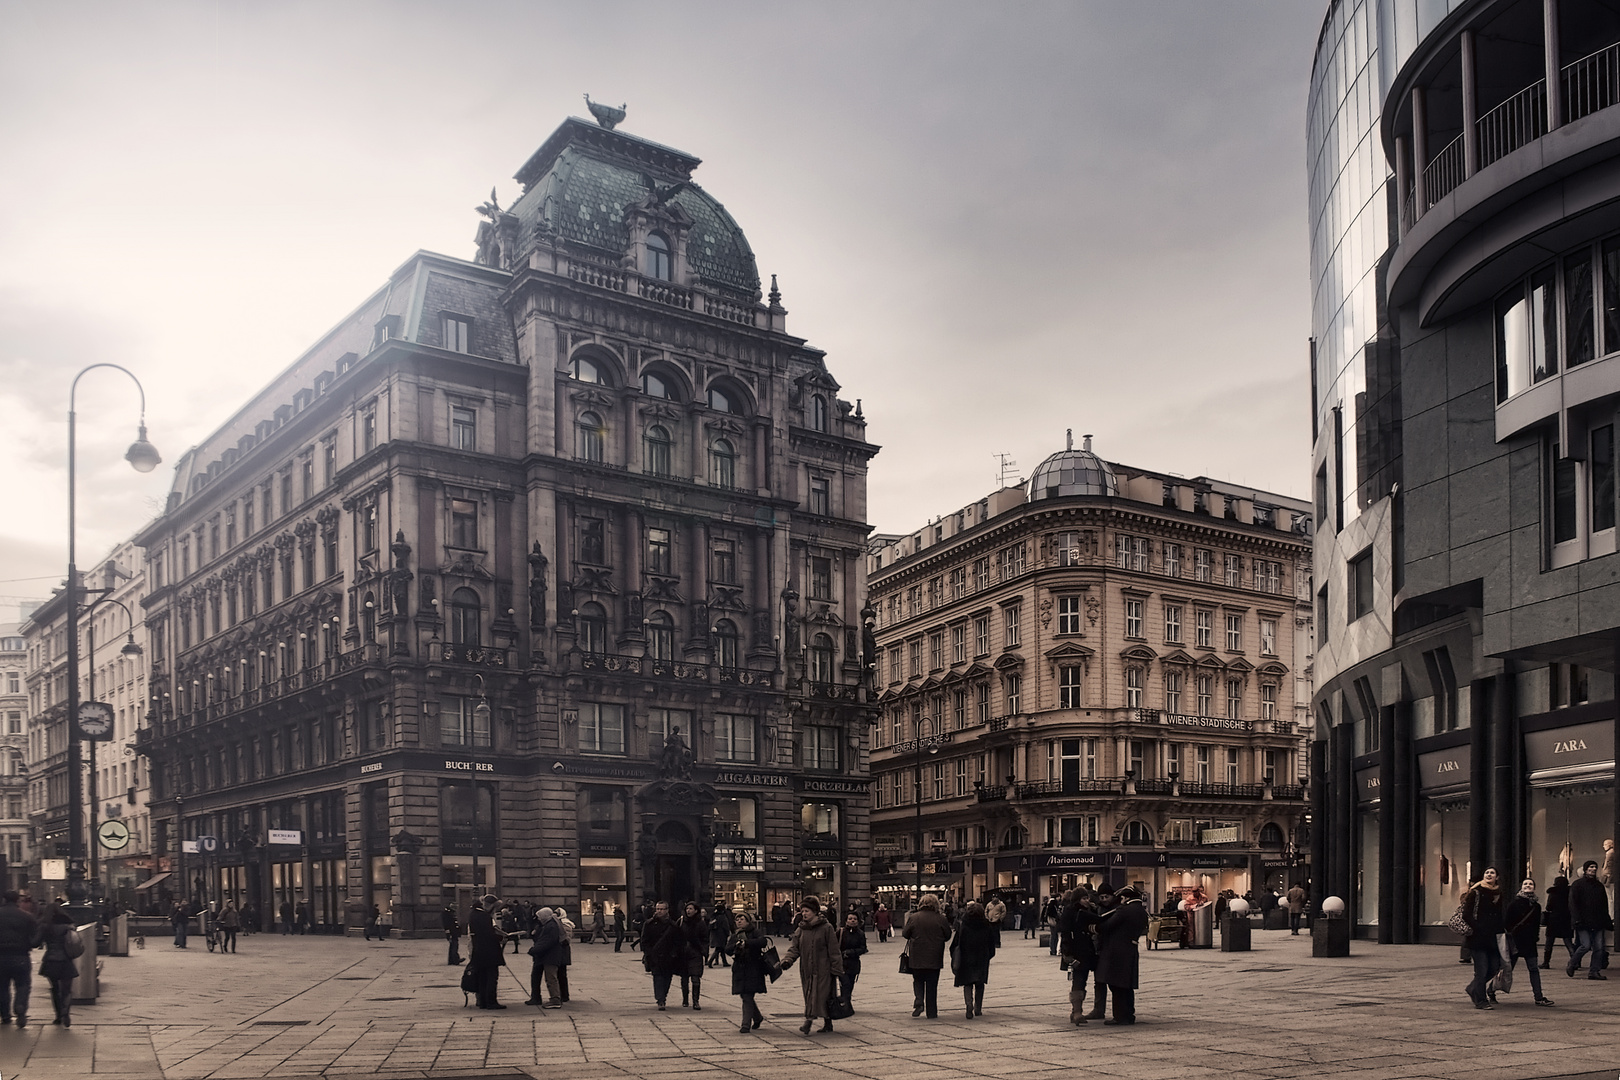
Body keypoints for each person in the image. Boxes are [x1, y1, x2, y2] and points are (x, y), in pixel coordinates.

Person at [779, 896, 842, 1034]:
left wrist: (837, 969)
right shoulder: (801, 929)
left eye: (807, 911)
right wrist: (787, 960)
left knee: (820, 995)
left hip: (824, 969)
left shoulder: (826, 927)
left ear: (815, 911)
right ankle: (828, 1022)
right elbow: (794, 948)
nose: (804, 913)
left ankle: (808, 1022)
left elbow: (834, 950)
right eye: (802, 911)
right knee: (811, 995)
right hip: (807, 969)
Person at [1095, 886, 1148, 1025]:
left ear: (1125, 898)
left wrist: (1095, 928)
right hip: (1131, 948)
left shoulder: (1123, 910)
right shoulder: (1142, 911)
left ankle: (1120, 1016)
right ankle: (1129, 1014)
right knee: (1127, 985)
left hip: (1117, 951)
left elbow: (1108, 926)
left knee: (1116, 985)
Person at [1503, 878, 1554, 1007]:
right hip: (1516, 941)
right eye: (1525, 884)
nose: (1528, 886)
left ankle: (1539, 997)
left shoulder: (1536, 906)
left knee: (1533, 969)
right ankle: (1491, 991)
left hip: (1530, 942)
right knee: (1508, 969)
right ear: (1521, 887)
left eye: (1530, 884)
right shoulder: (1514, 903)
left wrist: (1535, 937)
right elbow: (1507, 922)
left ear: (1534, 887)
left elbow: (1536, 924)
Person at [901, 892, 952, 1019]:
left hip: (917, 955)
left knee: (918, 979)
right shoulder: (941, 918)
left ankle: (919, 1000)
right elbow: (948, 935)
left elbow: (905, 934)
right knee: (932, 984)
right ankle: (932, 1011)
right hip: (935, 955)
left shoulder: (914, 917)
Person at [1461, 868, 1506, 1008]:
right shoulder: (1476, 892)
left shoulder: (1499, 893)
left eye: (1492, 873)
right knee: (1481, 969)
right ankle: (1480, 1000)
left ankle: (1473, 988)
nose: (1489, 875)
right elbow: (1466, 915)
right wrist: (1478, 927)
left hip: (1493, 938)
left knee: (1494, 967)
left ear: (1497, 877)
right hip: (1478, 937)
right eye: (1486, 873)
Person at [1059, 886, 1100, 1025]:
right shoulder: (1070, 911)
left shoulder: (1089, 910)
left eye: (1087, 898)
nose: (1087, 900)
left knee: (1084, 978)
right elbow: (1065, 932)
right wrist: (1067, 953)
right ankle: (1077, 1012)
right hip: (1076, 950)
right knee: (1079, 979)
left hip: (1089, 950)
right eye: (1084, 898)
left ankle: (1076, 1011)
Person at [953, 901, 999, 1020]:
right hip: (981, 957)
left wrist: (955, 955)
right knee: (979, 984)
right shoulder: (986, 925)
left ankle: (969, 1005)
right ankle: (978, 1007)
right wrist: (988, 955)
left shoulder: (963, 925)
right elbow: (991, 944)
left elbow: (955, 943)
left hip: (966, 957)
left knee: (967, 983)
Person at [1567, 859, 1613, 979]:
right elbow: (1573, 903)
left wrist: (1606, 920)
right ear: (1585, 869)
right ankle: (1572, 963)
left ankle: (1594, 971)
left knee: (1599, 947)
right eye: (1590, 867)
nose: (1593, 869)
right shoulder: (1578, 885)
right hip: (1582, 921)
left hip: (1597, 921)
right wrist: (1576, 919)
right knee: (1585, 945)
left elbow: (1604, 904)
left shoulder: (1599, 886)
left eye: (1594, 867)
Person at [0, 890, 39, 1027]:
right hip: (21, 955)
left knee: (2, 987)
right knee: (23, 985)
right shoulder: (27, 917)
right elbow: (35, 939)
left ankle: (5, 1015)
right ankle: (20, 1007)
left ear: (4, 900)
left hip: (1, 956)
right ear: (18, 901)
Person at [36, 902, 78, 1028]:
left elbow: (35, 942)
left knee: (55, 989)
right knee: (66, 989)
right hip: (66, 960)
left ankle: (58, 1016)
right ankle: (66, 1008)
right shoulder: (69, 926)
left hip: (51, 960)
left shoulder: (45, 926)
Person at [729, 911, 770, 1034]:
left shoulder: (754, 932)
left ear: (748, 921)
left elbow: (763, 942)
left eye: (742, 919)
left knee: (747, 995)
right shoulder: (735, 935)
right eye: (737, 919)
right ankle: (757, 1017)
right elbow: (727, 949)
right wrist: (736, 946)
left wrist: (746, 943)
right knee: (744, 995)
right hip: (740, 968)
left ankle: (745, 1025)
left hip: (753, 968)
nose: (739, 921)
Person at [466, 894, 508, 1009]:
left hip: (479, 951)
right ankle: (491, 1002)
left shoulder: (473, 914)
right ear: (490, 906)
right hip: (488, 952)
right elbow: (488, 934)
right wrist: (501, 938)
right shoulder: (484, 916)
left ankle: (483, 1001)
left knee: (482, 977)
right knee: (491, 977)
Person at [641, 901, 684, 1010]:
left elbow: (678, 941)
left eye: (662, 909)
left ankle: (663, 995)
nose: (659, 911)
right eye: (658, 909)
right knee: (658, 978)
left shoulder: (672, 925)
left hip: (668, 957)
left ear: (667, 910)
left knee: (667, 978)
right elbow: (644, 941)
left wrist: (674, 954)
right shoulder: (649, 924)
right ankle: (660, 999)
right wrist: (649, 953)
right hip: (654, 957)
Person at [526, 907, 566, 1008]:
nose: (538, 919)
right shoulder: (547, 924)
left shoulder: (551, 926)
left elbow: (547, 941)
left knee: (551, 978)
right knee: (543, 976)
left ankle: (555, 999)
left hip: (550, 955)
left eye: (539, 917)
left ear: (544, 917)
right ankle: (540, 997)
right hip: (546, 955)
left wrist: (534, 950)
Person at [678, 901, 709, 1008]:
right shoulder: (681, 921)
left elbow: (705, 938)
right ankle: (685, 1000)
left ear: (696, 910)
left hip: (695, 952)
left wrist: (704, 951)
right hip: (683, 953)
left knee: (695, 978)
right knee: (684, 978)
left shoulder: (700, 923)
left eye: (691, 909)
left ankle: (696, 1001)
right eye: (687, 909)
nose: (688, 911)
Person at [837, 910, 867, 1012]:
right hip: (841, 963)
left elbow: (863, 948)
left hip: (854, 963)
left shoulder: (860, 934)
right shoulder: (840, 932)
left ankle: (846, 1002)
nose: (852, 921)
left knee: (850, 984)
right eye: (850, 919)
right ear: (846, 921)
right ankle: (846, 1004)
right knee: (844, 983)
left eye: (854, 919)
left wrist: (852, 952)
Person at [1541, 876, 1573, 969]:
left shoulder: (1553, 892)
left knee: (1549, 943)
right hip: (1566, 919)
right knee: (1568, 942)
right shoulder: (1570, 892)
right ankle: (1575, 960)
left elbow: (1549, 907)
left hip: (1554, 919)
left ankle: (1546, 962)